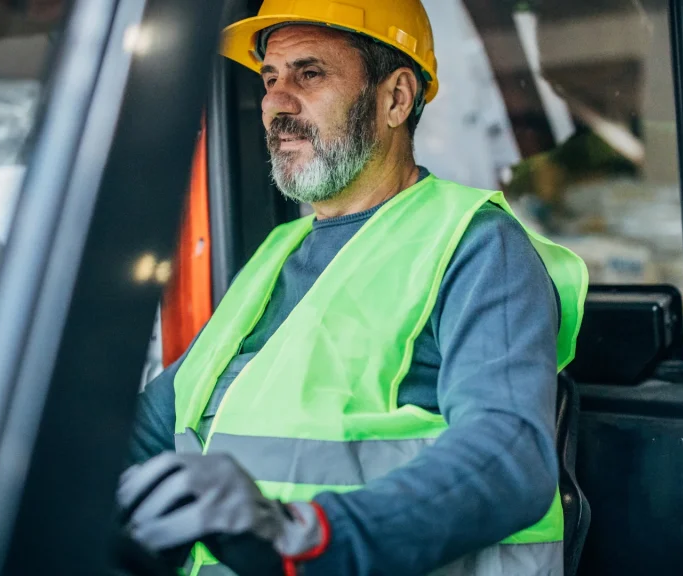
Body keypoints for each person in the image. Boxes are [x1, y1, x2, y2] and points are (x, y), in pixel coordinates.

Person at [116, 1, 588, 575]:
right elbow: (149, 429)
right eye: (270, 77)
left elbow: (508, 457)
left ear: (396, 98)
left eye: (309, 74)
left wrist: (303, 536)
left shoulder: (476, 245)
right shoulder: (276, 255)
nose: (276, 103)